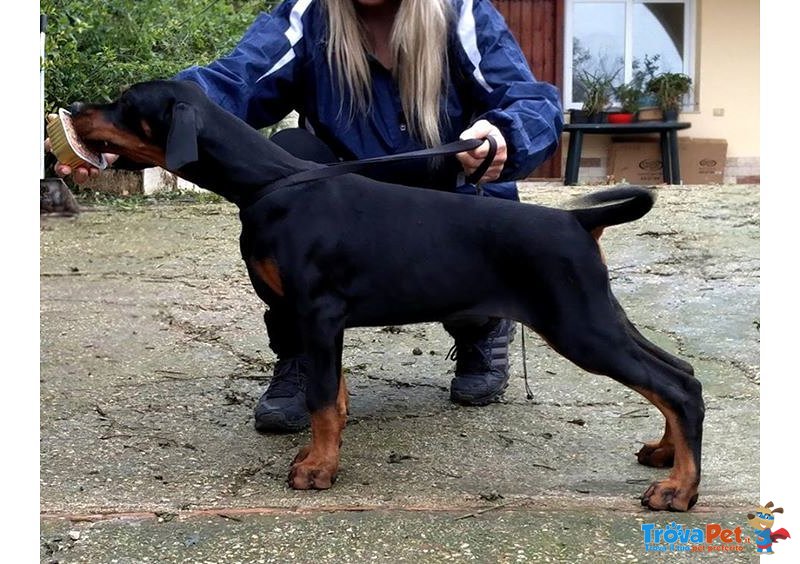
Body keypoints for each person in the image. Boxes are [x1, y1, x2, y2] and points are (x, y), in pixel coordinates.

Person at [50, 0, 563, 433]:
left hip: (445, 189)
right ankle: (301, 351)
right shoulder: (307, 15)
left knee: (484, 226)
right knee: (293, 149)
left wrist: (503, 133)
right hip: (349, 203)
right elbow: (229, 86)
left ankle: (480, 327)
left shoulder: (464, 12)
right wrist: (128, 136)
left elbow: (531, 100)